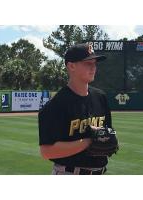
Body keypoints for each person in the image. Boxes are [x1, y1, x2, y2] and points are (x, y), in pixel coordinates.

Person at [38, 43, 113, 175]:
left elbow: (107, 133)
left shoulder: (100, 97)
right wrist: (89, 141)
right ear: (71, 66)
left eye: (95, 63)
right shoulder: (56, 105)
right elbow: (46, 151)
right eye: (88, 63)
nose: (93, 68)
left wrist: (107, 139)